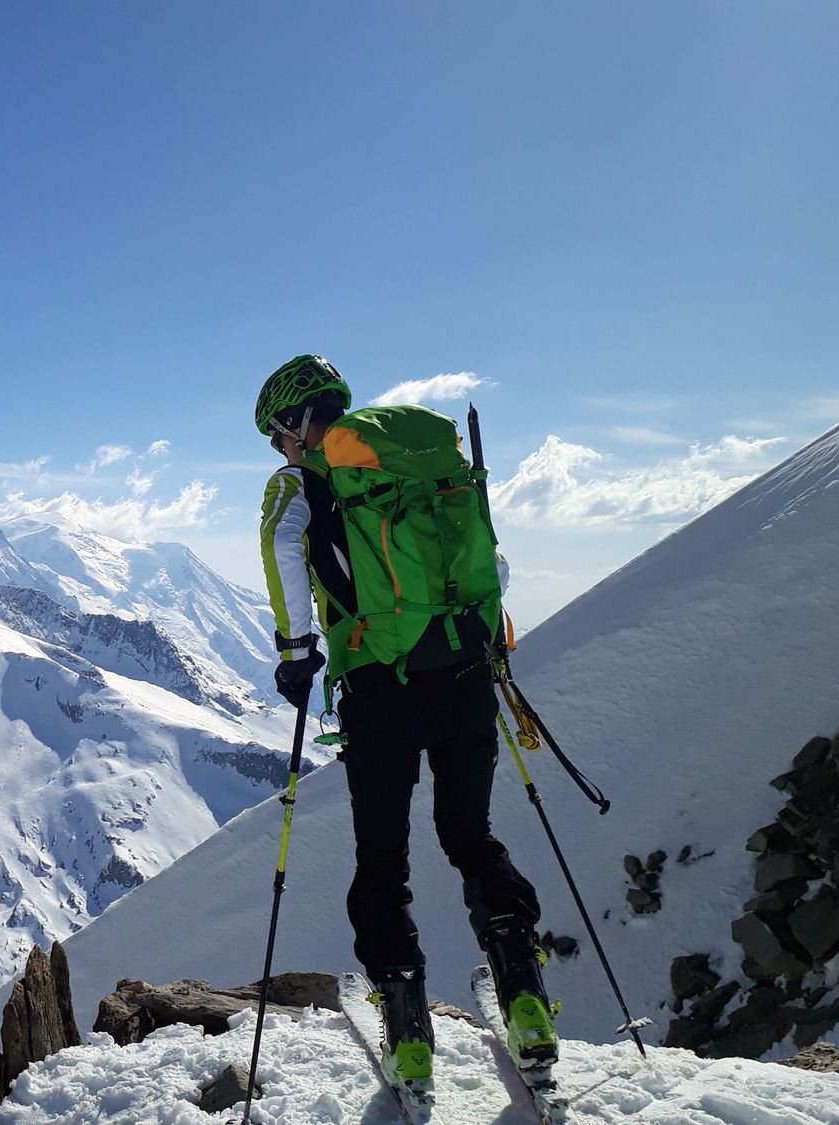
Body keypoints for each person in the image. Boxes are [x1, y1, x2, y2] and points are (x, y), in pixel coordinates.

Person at [254, 354, 557, 1090]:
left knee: (383, 862)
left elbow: (282, 550)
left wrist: (297, 655)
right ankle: (526, 996)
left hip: (378, 690)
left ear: (299, 419)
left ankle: (409, 1028)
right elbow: (493, 563)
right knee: (471, 836)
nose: (277, 447)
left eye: (277, 431)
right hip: (463, 677)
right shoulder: (425, 469)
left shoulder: (302, 482)